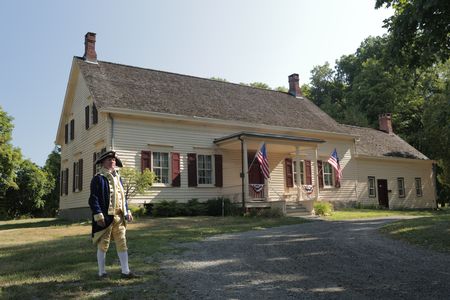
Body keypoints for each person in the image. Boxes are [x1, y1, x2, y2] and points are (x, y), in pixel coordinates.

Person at [88, 150, 138, 279]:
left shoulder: (118, 178)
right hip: (105, 217)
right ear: (103, 162)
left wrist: (127, 212)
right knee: (103, 244)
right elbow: (93, 199)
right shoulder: (98, 178)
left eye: (114, 160)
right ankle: (101, 272)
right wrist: (98, 215)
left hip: (119, 217)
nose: (112, 162)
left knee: (122, 242)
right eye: (109, 160)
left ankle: (126, 271)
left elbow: (122, 198)